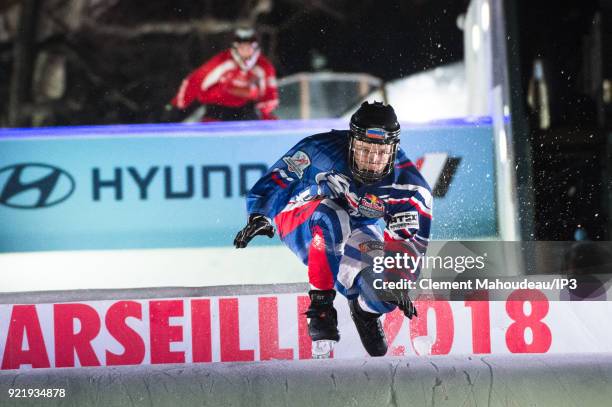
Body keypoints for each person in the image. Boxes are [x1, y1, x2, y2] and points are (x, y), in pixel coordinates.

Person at [234, 102, 432, 357]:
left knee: (382, 293)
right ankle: (321, 306)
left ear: (394, 150)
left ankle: (364, 311)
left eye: (380, 153)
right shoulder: (319, 150)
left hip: (357, 226)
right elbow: (280, 178)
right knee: (331, 215)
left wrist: (397, 281)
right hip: (300, 219)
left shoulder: (412, 191)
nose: (371, 161)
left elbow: (408, 247)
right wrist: (260, 214)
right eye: (363, 150)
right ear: (350, 142)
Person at [169, 27, 278, 121]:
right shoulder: (223, 61)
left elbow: (270, 93)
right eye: (242, 48)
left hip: (245, 111)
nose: (245, 52)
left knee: (253, 130)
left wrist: (266, 114)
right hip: (217, 109)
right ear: (235, 48)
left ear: (255, 48)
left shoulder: (264, 67)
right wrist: (178, 105)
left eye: (249, 47)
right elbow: (196, 80)